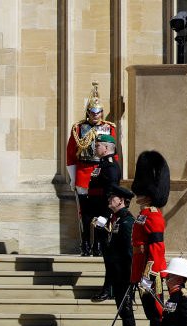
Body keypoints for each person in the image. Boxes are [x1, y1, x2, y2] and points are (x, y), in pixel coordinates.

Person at [66, 82, 118, 256]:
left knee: (104, 211)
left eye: (99, 112)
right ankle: (86, 244)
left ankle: (100, 244)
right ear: (88, 112)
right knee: (85, 213)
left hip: (103, 174)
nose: (96, 116)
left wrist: (114, 177)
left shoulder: (109, 128)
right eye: (93, 112)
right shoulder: (79, 128)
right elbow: (71, 154)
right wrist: (73, 177)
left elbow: (114, 154)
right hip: (83, 173)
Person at [130, 151, 169, 326]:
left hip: (152, 275)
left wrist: (148, 274)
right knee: (151, 318)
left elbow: (156, 248)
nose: (137, 196)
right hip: (142, 271)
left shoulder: (153, 216)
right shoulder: (143, 214)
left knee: (157, 318)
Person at [98, 185, 137, 326]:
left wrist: (130, 277)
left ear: (121, 201)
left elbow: (129, 252)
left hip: (124, 275)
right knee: (123, 313)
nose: (109, 200)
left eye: (112, 198)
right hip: (117, 274)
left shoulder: (127, 221)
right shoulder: (117, 220)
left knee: (126, 313)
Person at [88, 134, 122, 300]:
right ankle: (109, 288)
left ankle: (109, 289)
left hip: (105, 214)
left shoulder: (110, 166)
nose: (96, 148)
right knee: (107, 255)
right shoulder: (102, 164)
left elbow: (112, 192)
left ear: (107, 148)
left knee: (110, 255)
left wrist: (107, 215)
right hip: (99, 212)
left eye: (98, 145)